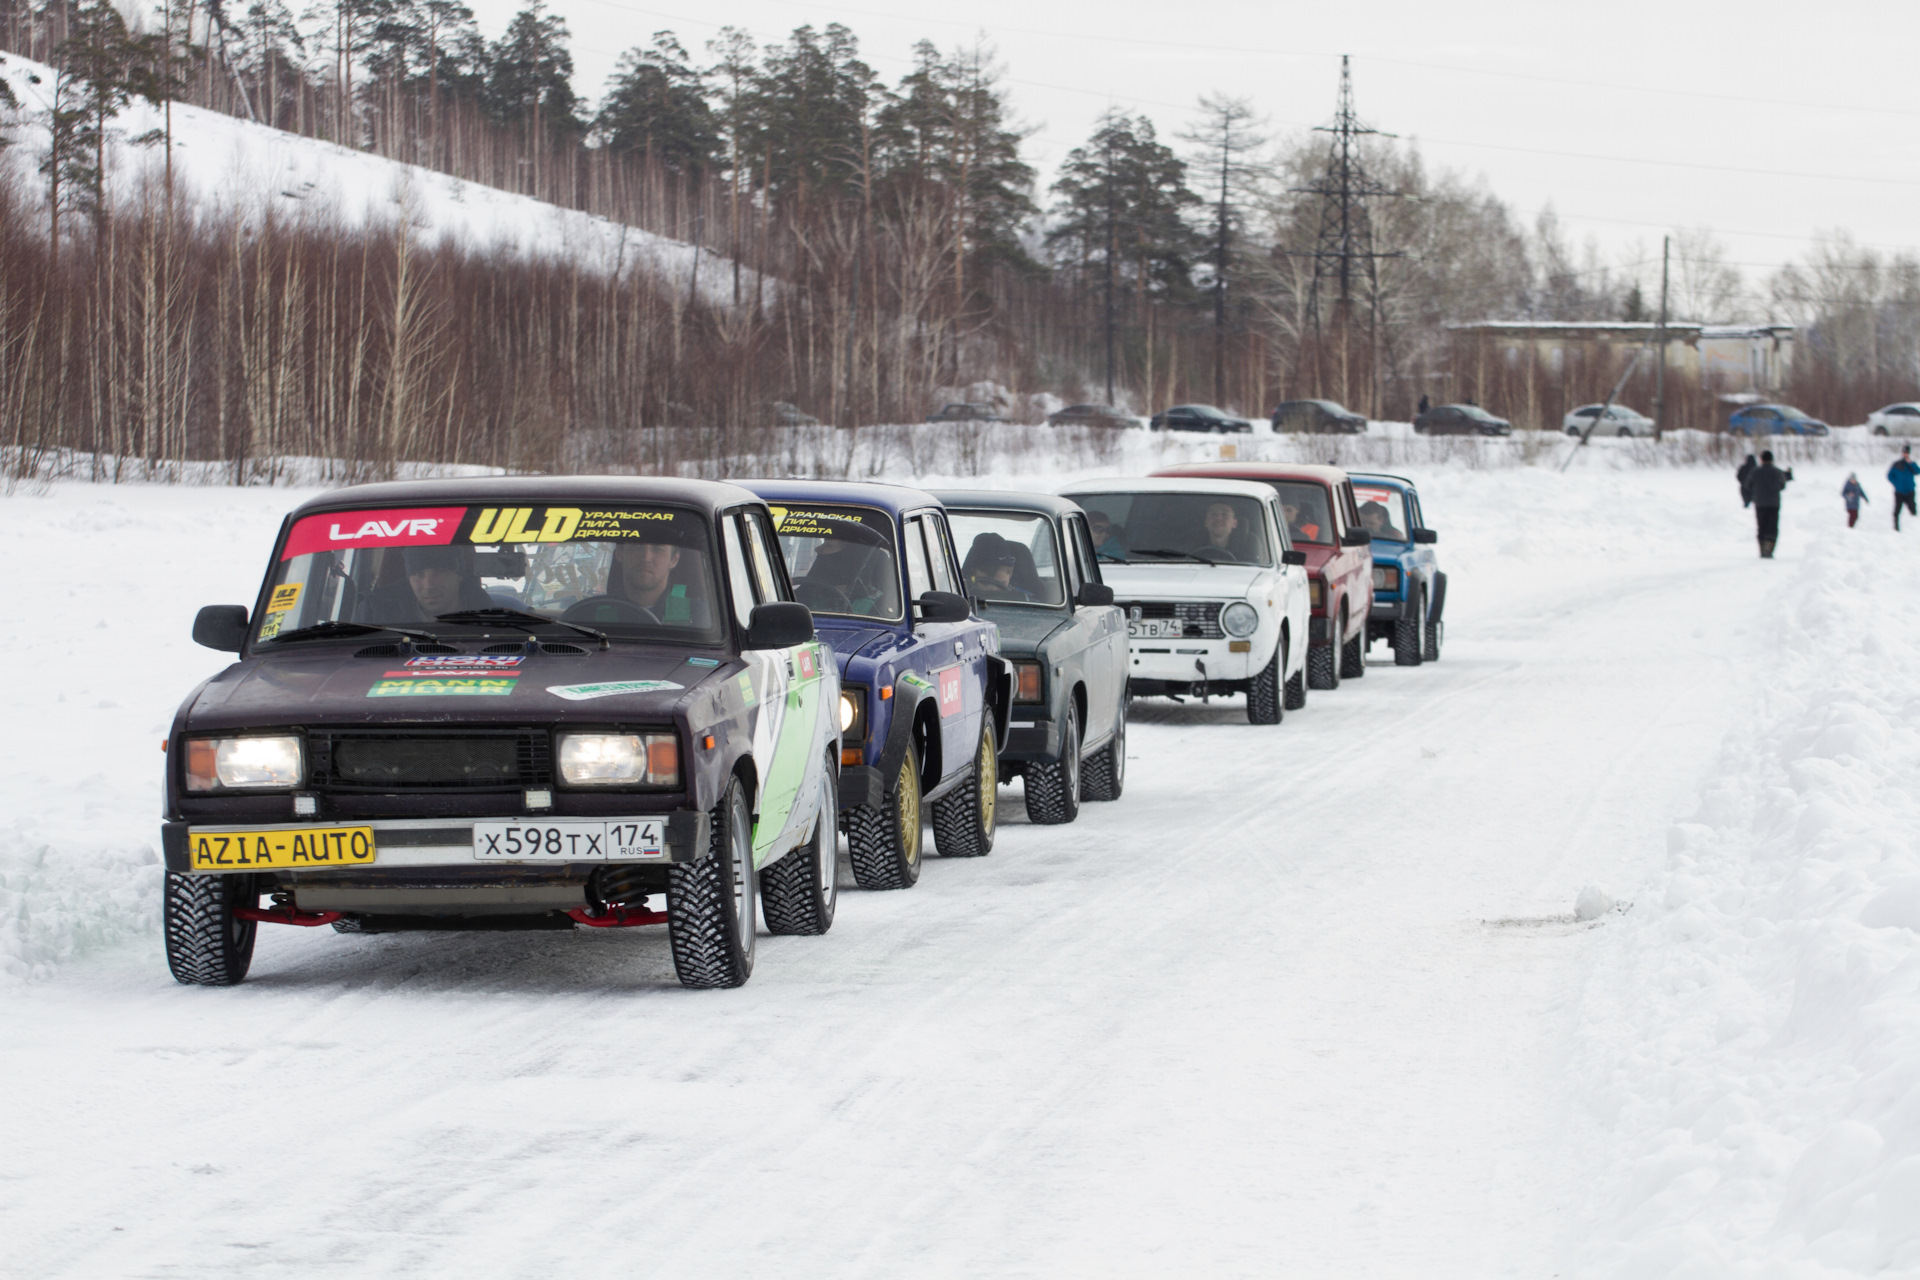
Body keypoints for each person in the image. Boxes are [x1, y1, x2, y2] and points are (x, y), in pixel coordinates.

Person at [364, 545, 492, 621]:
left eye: (440, 573)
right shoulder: (375, 618)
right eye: (418, 574)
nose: (429, 586)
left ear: (459, 576)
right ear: (408, 580)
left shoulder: (490, 619)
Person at [1746, 450, 1793, 558]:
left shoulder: (1755, 471)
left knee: (1761, 526)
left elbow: (1748, 485)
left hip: (1760, 503)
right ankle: (1769, 548)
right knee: (1772, 526)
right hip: (1773, 503)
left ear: (1761, 459)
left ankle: (1762, 548)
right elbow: (1782, 485)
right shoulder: (1777, 472)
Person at [963, 534, 1032, 602]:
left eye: (1001, 584)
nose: (993, 590)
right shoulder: (962, 597)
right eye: (985, 583)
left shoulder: (1024, 601)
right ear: (973, 574)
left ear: (1010, 573)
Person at [1890, 446, 1919, 531]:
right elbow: (1890, 476)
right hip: (1899, 491)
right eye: (1904, 452)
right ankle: (1896, 526)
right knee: (1897, 509)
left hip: (1910, 490)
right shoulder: (1897, 464)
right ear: (1902, 453)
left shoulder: (1911, 464)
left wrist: (1911, 463)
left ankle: (1915, 524)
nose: (1905, 454)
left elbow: (1918, 471)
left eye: (1907, 453)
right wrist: (1896, 484)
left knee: (1912, 506)